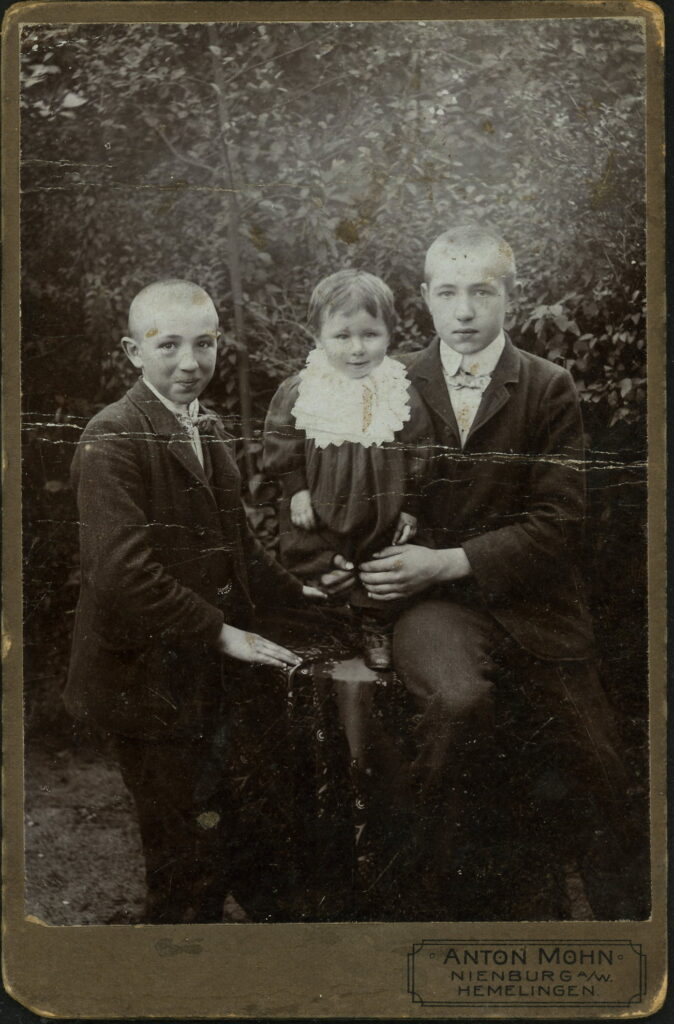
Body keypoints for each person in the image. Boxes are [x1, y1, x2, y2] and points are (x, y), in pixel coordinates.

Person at [323, 226, 641, 918]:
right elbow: (352, 495)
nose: (464, 310)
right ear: (426, 300)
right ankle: (441, 911)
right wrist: (365, 551)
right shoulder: (390, 380)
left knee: (604, 766)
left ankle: (637, 947)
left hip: (538, 606)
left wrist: (451, 558)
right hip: (433, 607)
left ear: (511, 298)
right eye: (448, 293)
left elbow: (563, 522)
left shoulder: (547, 386)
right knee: (460, 706)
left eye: (481, 292)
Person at [63, 279, 319, 925]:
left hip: (201, 679)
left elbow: (237, 546)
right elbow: (121, 573)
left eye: (203, 344)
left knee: (237, 836)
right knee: (184, 861)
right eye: (168, 344)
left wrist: (306, 597)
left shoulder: (207, 424)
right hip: (144, 684)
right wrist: (221, 632)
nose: (189, 362)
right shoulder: (113, 437)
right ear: (131, 350)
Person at [263, 269, 432, 670]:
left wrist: (411, 506)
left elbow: (421, 448)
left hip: (381, 504)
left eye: (370, 335)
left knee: (380, 561)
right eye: (342, 336)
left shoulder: (398, 389)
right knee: (314, 549)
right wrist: (297, 487)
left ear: (390, 334)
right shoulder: (302, 389)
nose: (357, 349)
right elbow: (281, 441)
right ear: (318, 337)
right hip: (320, 501)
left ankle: (375, 623)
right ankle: (328, 614)